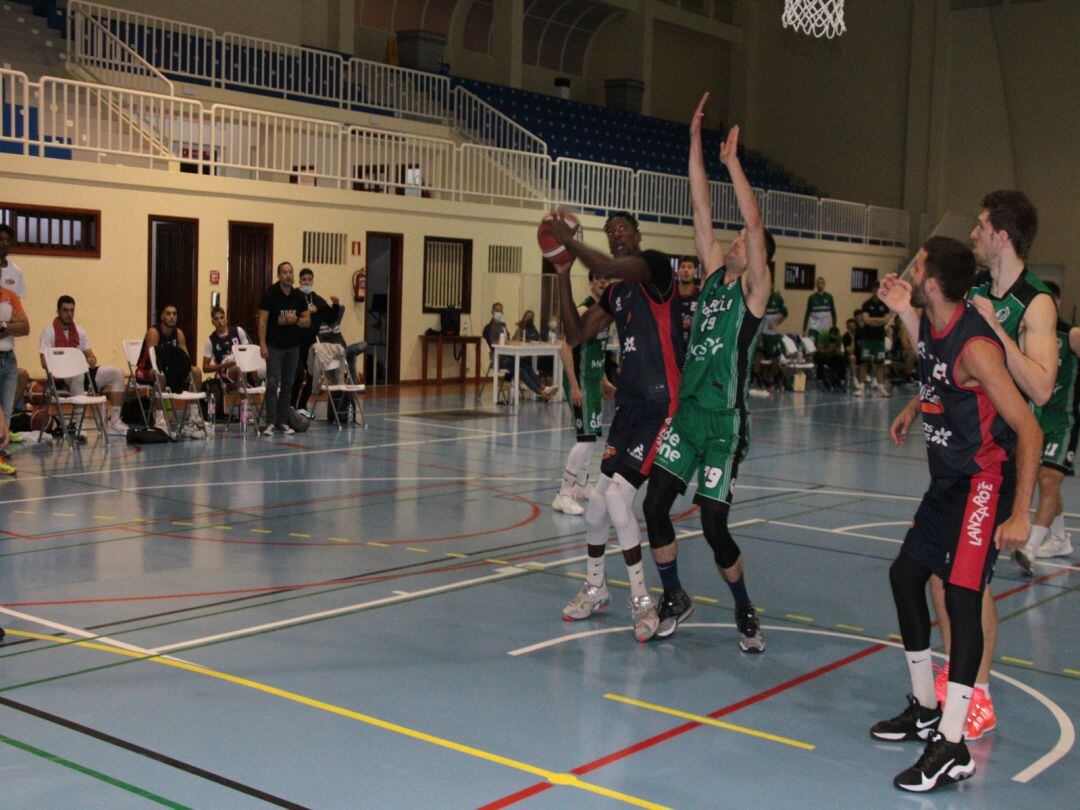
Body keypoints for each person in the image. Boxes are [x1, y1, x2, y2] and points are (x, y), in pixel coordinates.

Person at [873, 237, 1039, 792]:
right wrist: (901, 313)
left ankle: (952, 744)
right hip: (948, 480)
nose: (908, 272)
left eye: (916, 267)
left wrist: (1019, 515)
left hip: (984, 482)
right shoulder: (935, 321)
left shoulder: (977, 348)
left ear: (935, 283)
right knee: (905, 576)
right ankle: (924, 707)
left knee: (963, 598)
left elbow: (1029, 429)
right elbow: (928, 359)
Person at [640, 92, 772, 649]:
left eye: (743, 240)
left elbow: (753, 219)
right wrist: (694, 143)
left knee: (715, 527)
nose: (736, 239)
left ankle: (744, 608)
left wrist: (734, 165)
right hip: (689, 415)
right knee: (654, 505)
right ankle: (674, 595)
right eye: (735, 239)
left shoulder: (755, 292)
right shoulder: (715, 275)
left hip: (723, 424)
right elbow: (699, 206)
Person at [929, 190, 1056, 741]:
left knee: (969, 583)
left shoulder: (1037, 302)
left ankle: (975, 693)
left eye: (982, 226)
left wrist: (998, 331)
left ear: (1003, 235)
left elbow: (1043, 390)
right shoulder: (977, 289)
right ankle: (958, 684)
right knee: (939, 576)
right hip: (963, 449)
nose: (975, 234)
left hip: (1002, 460)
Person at [547, 208, 686, 643]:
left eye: (622, 229)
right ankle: (596, 587)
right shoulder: (617, 293)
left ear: (638, 234)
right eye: (609, 232)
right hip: (628, 408)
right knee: (596, 506)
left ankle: (643, 600)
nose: (615, 236)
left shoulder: (656, 267)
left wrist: (566, 240)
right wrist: (562, 273)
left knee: (620, 501)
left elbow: (606, 266)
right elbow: (574, 332)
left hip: (662, 406)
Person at [1017, 281, 1078, 560]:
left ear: (1058, 303)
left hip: (1064, 420)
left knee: (1048, 478)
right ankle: (1061, 539)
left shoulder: (1072, 335)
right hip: (1037, 419)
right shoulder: (1028, 335)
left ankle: (1029, 548)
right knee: (1046, 481)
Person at [552, 272, 614, 516]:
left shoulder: (607, 312)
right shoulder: (582, 310)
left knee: (592, 436)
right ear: (590, 283)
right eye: (598, 279)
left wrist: (604, 380)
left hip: (593, 379)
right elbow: (565, 348)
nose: (602, 281)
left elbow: (597, 351)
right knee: (585, 438)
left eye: (605, 279)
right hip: (580, 382)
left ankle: (582, 484)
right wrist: (575, 386)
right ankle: (563, 494)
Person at [39, 295, 128, 436]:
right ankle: (77, 422)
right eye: (65, 310)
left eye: (72, 311)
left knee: (118, 372)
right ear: (58, 311)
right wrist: (63, 362)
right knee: (78, 373)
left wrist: (92, 359)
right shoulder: (49, 332)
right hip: (61, 377)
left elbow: (90, 355)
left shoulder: (79, 331)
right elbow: (44, 362)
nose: (69, 314)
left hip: (82, 374)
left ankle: (114, 422)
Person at [258, 261, 311, 435]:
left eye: (290, 272)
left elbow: (307, 321)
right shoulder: (270, 294)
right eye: (284, 272)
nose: (288, 275)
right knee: (272, 384)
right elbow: (263, 321)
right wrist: (263, 345)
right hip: (274, 347)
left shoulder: (298, 296)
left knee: (288, 385)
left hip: (293, 347)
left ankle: (283, 421)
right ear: (279, 275)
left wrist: (294, 320)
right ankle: (270, 422)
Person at [136, 304, 204, 437]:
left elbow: (185, 359)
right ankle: (160, 418)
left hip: (169, 371)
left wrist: (184, 371)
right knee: (159, 374)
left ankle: (194, 416)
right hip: (146, 370)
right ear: (161, 316)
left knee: (196, 371)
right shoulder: (153, 332)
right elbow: (153, 360)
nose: (172, 316)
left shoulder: (179, 334)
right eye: (168, 313)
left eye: (174, 314)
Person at [482, 303, 551, 399]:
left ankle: (543, 387)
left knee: (527, 367)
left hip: (509, 355)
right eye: (497, 310)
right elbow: (493, 344)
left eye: (501, 311)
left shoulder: (503, 325)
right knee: (520, 370)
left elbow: (508, 339)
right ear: (492, 312)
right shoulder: (487, 328)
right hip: (499, 358)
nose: (499, 313)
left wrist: (511, 342)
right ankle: (539, 392)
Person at [292, 268, 330, 417]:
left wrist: (336, 304)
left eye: (309, 279)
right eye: (304, 280)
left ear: (312, 281)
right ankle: (290, 405)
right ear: (300, 281)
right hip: (296, 341)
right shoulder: (294, 296)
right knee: (297, 374)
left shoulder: (317, 299)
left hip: (311, 342)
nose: (306, 282)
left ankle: (302, 405)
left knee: (312, 375)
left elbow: (330, 315)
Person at [0, 276, 29, 420]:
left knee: (6, 415)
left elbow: (24, 328)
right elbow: (17, 327)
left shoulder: (10, 296)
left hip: (9, 360)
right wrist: (11, 326)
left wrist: (4, 325)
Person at [857, 282, 892, 397]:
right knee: (864, 363)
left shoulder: (885, 305)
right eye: (874, 290)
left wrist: (873, 321)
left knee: (880, 364)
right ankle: (861, 387)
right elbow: (866, 320)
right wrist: (879, 320)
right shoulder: (866, 304)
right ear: (872, 291)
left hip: (879, 339)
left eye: (878, 290)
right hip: (867, 339)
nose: (876, 292)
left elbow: (887, 320)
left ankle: (882, 387)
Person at [202, 306, 253, 385]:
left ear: (226, 319)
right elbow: (205, 367)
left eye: (222, 318)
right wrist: (224, 365)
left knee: (261, 368)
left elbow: (248, 350)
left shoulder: (238, 331)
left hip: (244, 363)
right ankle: (244, 394)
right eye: (216, 319)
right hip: (227, 370)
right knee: (239, 369)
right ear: (212, 322)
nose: (219, 321)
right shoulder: (210, 341)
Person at [754, 287, 787, 389]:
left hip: (773, 334)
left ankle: (777, 377)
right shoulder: (761, 298)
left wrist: (776, 322)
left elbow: (785, 313)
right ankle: (756, 377)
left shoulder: (778, 298)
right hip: (762, 333)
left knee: (774, 355)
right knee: (758, 353)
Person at [676, 255, 700, 353]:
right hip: (673, 347)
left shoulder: (701, 297)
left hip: (693, 349)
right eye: (683, 267)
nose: (686, 270)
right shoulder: (671, 296)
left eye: (689, 267)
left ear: (695, 271)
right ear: (678, 271)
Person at [803, 275, 837, 345]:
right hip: (814, 329)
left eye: (821, 283)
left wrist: (834, 328)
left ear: (824, 285)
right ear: (816, 285)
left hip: (826, 329)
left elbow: (834, 314)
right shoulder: (811, 298)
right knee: (812, 348)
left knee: (824, 348)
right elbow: (807, 314)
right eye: (818, 283)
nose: (820, 284)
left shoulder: (829, 297)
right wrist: (804, 329)